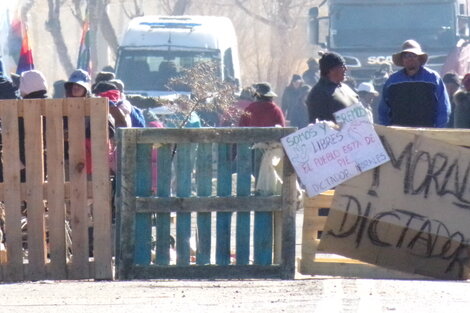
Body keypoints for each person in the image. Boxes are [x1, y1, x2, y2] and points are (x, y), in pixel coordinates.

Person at [378, 39, 450, 127]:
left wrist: (438, 131)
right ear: (402, 59)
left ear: (419, 58)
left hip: (427, 133)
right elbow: (383, 110)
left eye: (413, 55)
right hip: (399, 135)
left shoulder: (433, 78)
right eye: (406, 56)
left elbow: (443, 108)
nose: (410, 58)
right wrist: (387, 131)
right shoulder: (392, 81)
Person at [306, 52, 359, 123]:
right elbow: (319, 125)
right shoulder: (319, 93)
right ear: (331, 70)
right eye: (342, 66)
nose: (345, 69)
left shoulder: (346, 88)